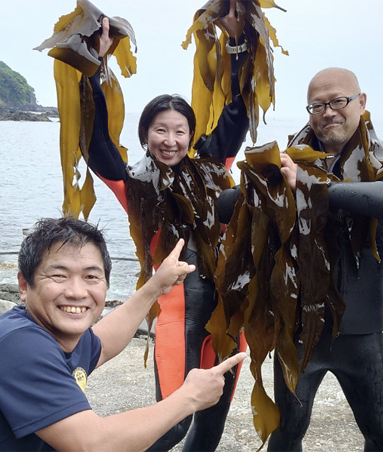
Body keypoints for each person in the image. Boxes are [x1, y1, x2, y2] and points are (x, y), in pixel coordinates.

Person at [0, 217, 246, 451]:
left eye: (91, 277)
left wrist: (155, 287)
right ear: (24, 285)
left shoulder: (52, 334)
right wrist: (188, 397)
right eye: (59, 275)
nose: (76, 292)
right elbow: (93, 445)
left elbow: (102, 343)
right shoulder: (17, 345)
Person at [83, 8, 249, 451]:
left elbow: (237, 112)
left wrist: (238, 43)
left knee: (210, 426)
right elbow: (96, 140)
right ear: (145, 135)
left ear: (192, 135)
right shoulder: (133, 185)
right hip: (177, 316)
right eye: (160, 130)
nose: (170, 140)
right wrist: (94, 66)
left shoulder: (214, 169)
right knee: (172, 424)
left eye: (180, 131)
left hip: (227, 313)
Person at [265, 67, 383, 451]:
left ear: (361, 103)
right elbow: (227, 207)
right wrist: (263, 178)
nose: (328, 112)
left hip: (361, 334)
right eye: (318, 105)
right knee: (287, 431)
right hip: (299, 333)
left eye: (338, 101)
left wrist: (311, 187)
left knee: (380, 430)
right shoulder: (285, 163)